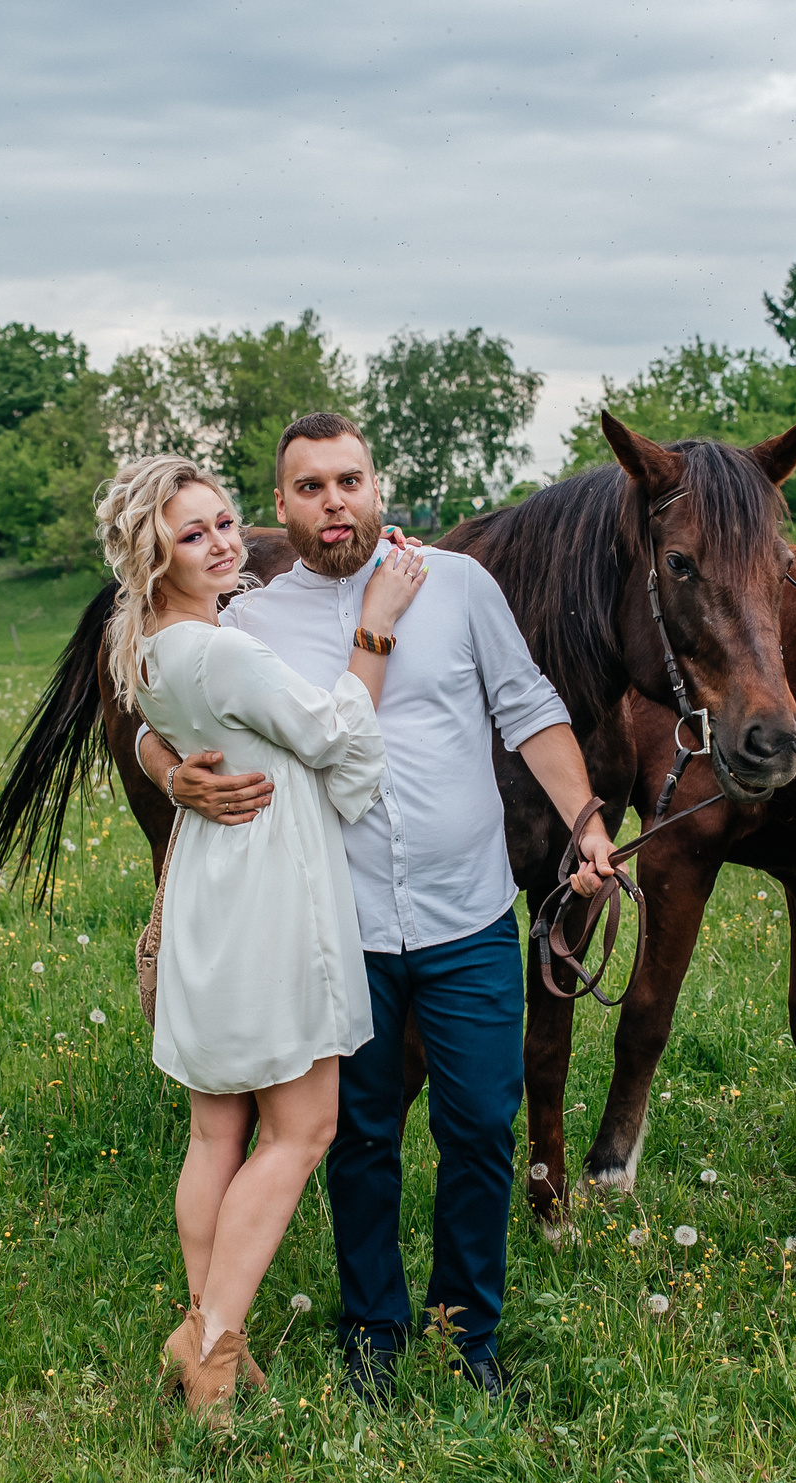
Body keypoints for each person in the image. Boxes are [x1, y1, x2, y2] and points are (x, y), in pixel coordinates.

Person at [135, 413, 615, 1404]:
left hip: (467, 912)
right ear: (283, 507)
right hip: (334, 928)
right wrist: (173, 773)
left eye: (347, 478)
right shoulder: (251, 618)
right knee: (357, 1134)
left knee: (482, 1124)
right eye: (309, 486)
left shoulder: (461, 585)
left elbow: (526, 706)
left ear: (375, 483)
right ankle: (370, 1328)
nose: (333, 500)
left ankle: (467, 1329)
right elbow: (163, 705)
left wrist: (585, 821)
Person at [102, 453, 426, 1420]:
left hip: (212, 879)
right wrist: (378, 625)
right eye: (191, 533)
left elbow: (157, 726)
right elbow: (337, 733)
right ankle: (214, 1346)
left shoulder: (151, 648)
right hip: (273, 890)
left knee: (217, 1128)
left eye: (225, 522)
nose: (221, 541)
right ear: (154, 554)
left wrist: (169, 764)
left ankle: (201, 1325)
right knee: (302, 1128)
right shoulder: (226, 651)